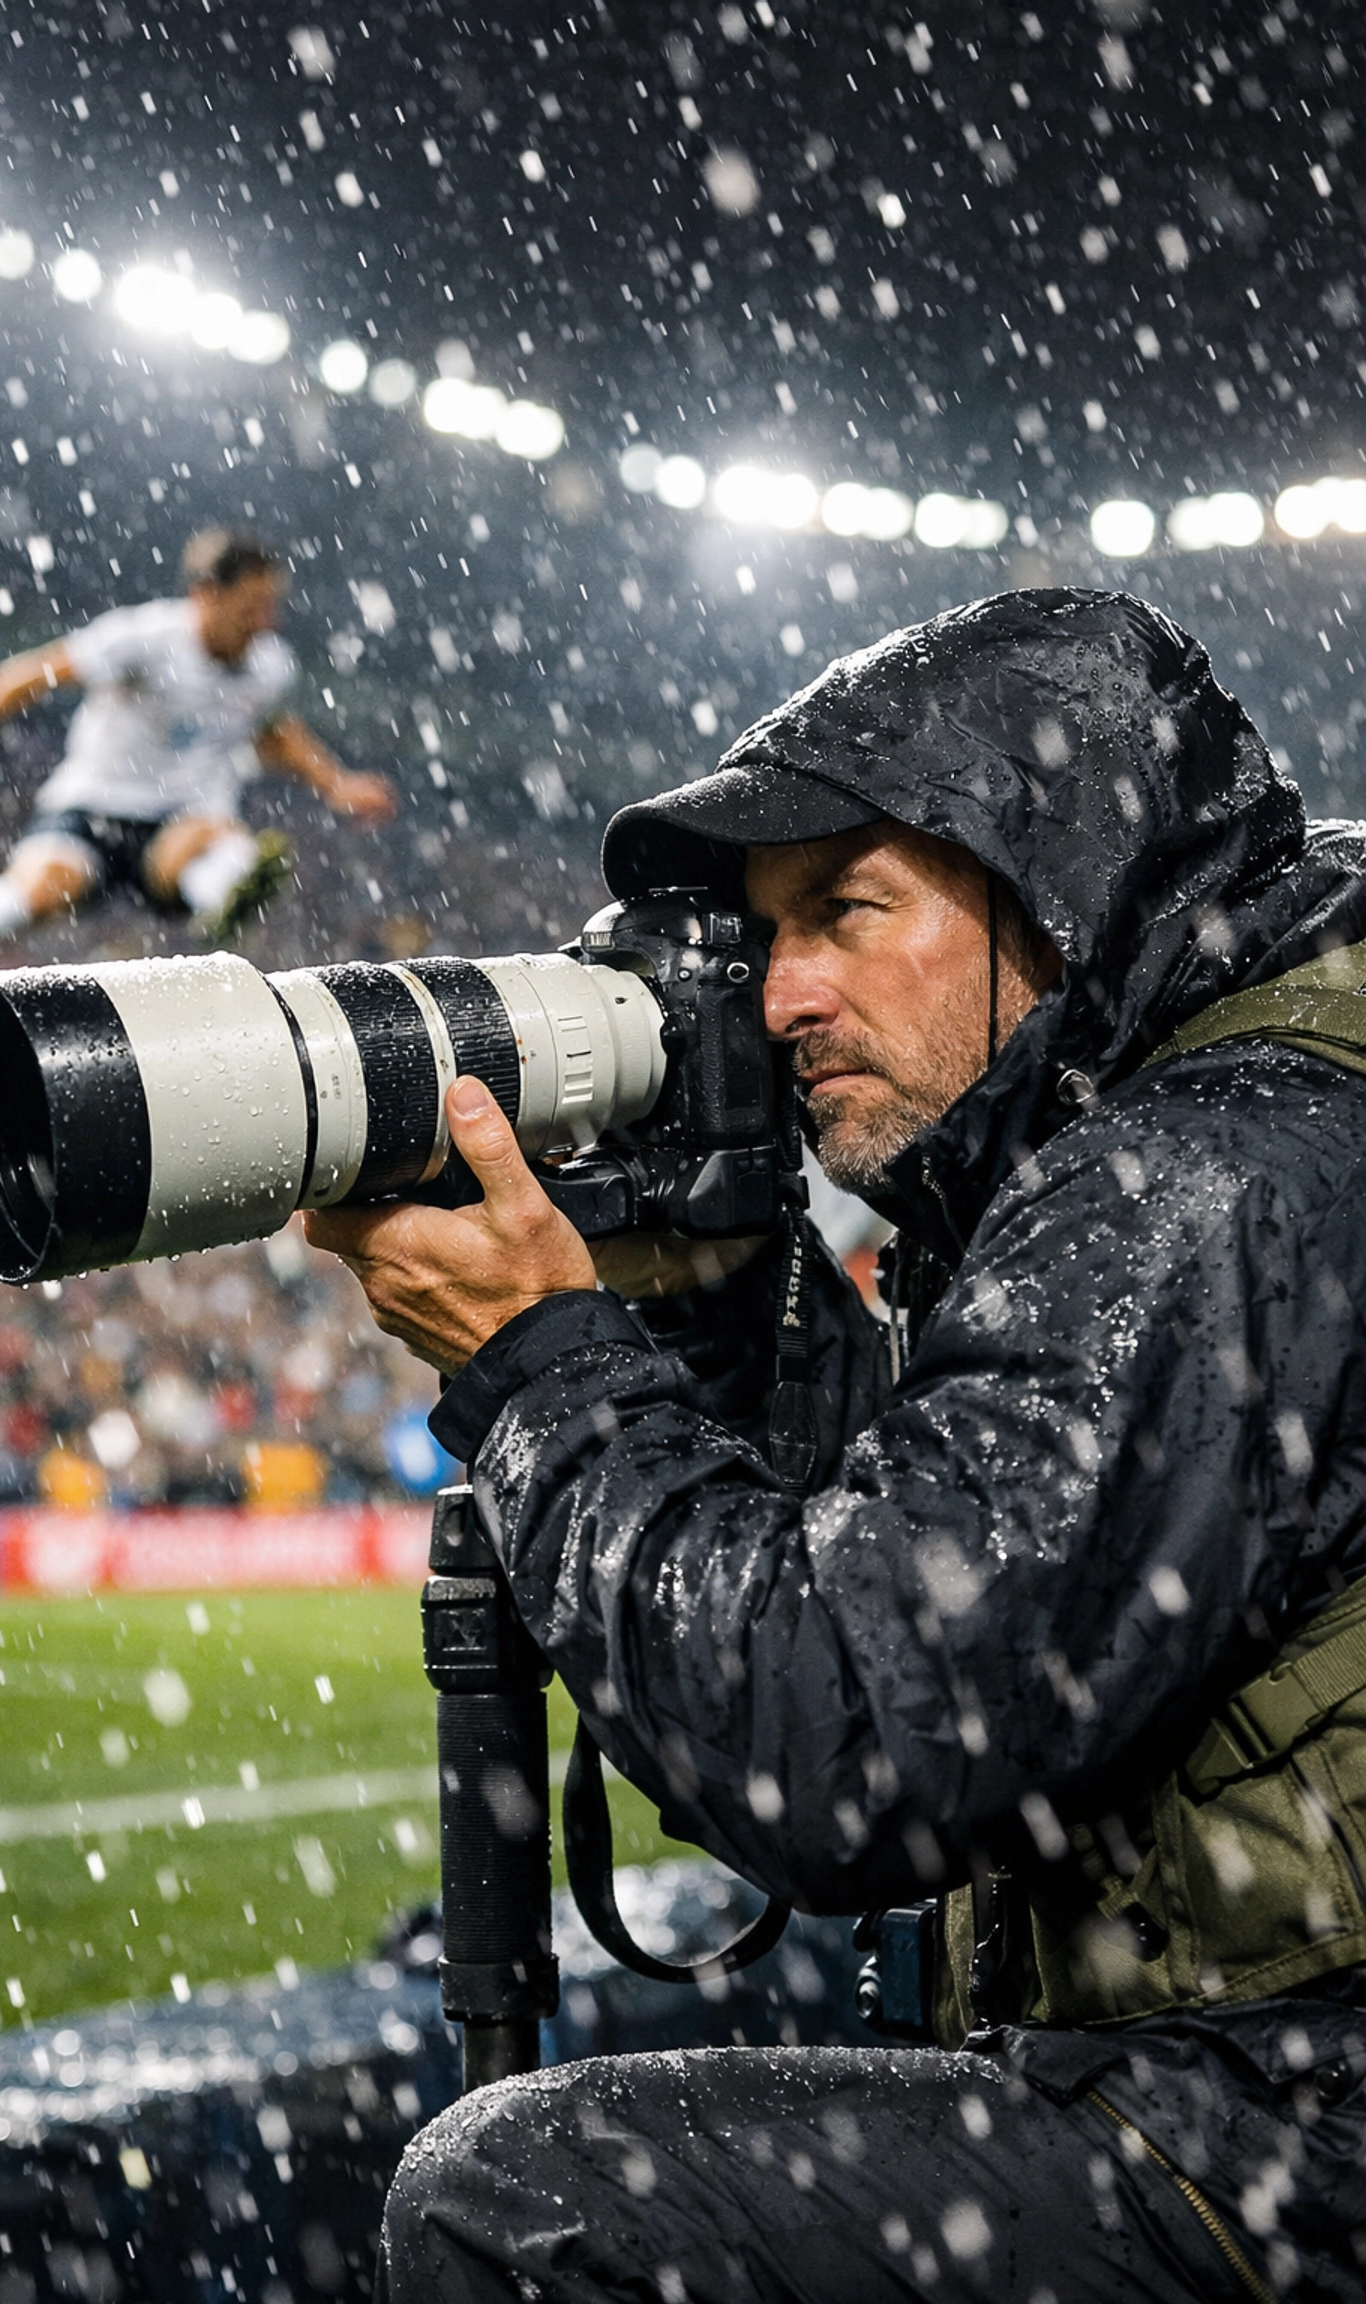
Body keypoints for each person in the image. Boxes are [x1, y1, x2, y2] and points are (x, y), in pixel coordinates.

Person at [310, 589, 1366, 2299]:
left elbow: (851, 1735)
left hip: (1300, 2133)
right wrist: (713, 1299)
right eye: (761, 938)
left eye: (847, 911)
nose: (783, 992)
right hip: (1277, 2095)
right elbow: (914, 1561)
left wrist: (540, 1366)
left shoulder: (1198, 1178)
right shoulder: (1230, 1110)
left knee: (518, 2197)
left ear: (1064, 892)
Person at [0, 527, 396, 1042]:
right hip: (93, 803)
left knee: (209, 836)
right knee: (33, 894)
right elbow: (44, 668)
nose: (265, 621)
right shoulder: (146, 637)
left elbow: (274, 731)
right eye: (252, 607)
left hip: (178, 822)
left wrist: (336, 782)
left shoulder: (270, 665)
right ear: (206, 595)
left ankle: (227, 895)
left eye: (271, 606)